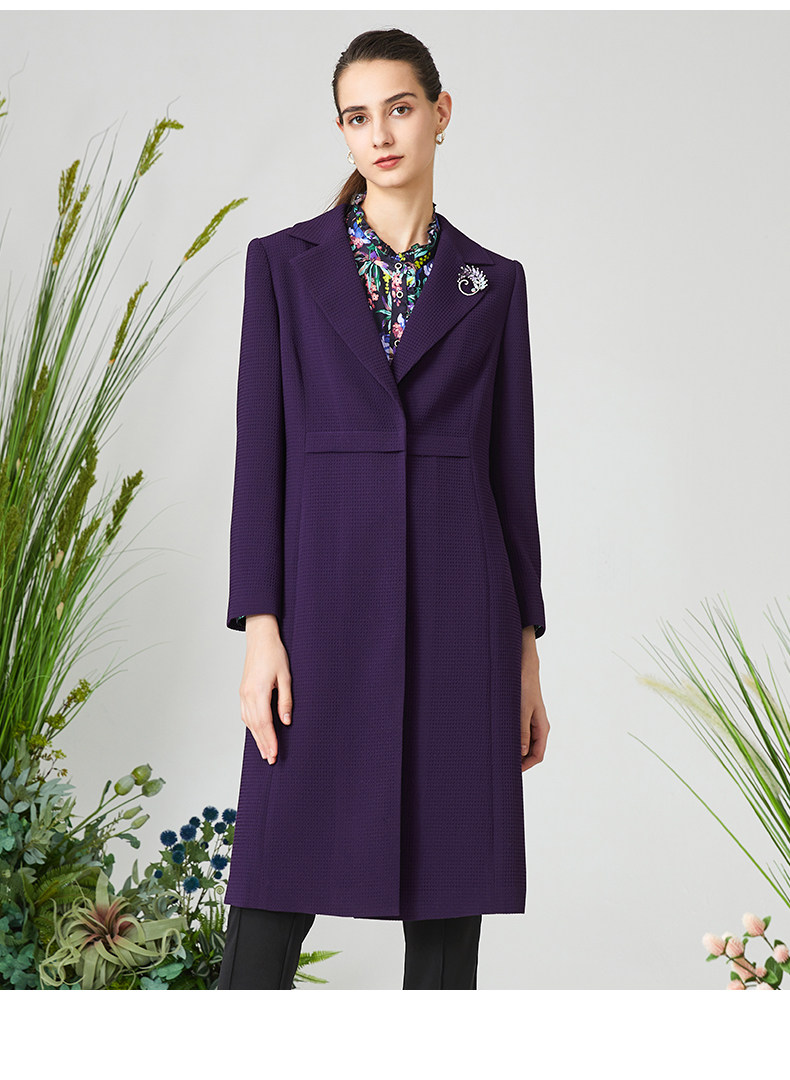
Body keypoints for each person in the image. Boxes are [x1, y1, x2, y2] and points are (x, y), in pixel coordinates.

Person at [216, 27, 550, 991]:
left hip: (461, 619)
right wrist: (261, 629)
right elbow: (259, 455)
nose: (381, 134)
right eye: (358, 118)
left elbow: (511, 473)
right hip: (322, 608)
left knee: (447, 914)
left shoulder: (494, 282)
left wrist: (526, 649)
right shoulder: (282, 265)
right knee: (269, 903)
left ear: (440, 114)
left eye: (399, 109)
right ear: (342, 132)